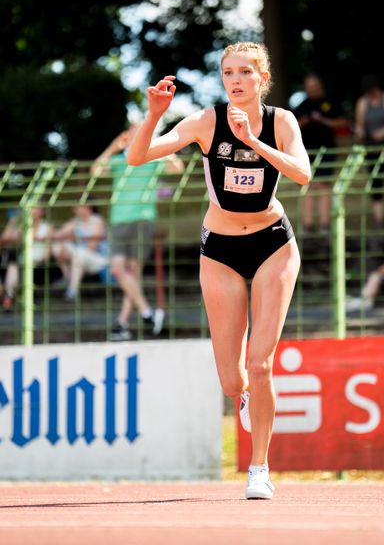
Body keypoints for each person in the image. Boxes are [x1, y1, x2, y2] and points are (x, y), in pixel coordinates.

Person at [127, 41, 311, 499]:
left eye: (246, 72)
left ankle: (259, 469)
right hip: (221, 251)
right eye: (229, 72)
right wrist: (155, 113)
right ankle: (246, 395)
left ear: (261, 79)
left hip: (273, 244)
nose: (235, 79)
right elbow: (137, 157)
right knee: (233, 379)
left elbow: (303, 174)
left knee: (261, 363)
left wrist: (252, 142)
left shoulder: (280, 122)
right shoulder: (207, 121)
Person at [91, 125, 184, 341]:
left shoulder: (153, 159)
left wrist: (157, 143)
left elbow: (176, 167)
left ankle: (122, 323)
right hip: (118, 221)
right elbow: (95, 170)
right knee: (118, 269)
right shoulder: (119, 161)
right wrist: (113, 147)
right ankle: (147, 313)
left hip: (142, 219)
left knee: (133, 273)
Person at [294, 74, 349, 234]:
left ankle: (325, 225)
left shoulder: (331, 102)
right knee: (307, 186)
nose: (312, 90)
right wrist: (305, 121)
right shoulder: (303, 105)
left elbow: (343, 122)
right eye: (309, 87)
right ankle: (308, 225)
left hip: (327, 150)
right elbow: (291, 126)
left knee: (325, 185)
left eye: (315, 86)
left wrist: (324, 120)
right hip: (306, 152)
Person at [354, 74, 384, 227]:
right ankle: (380, 220)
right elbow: (360, 125)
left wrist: (382, 132)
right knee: (376, 184)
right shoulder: (363, 103)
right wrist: (360, 132)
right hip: (372, 149)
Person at [0, 205, 60, 310]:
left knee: (16, 269)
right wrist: (13, 221)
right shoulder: (24, 227)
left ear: (42, 211)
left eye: (35, 208)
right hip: (23, 265)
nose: (32, 211)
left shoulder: (48, 227)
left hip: (40, 267)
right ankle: (9, 297)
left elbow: (49, 252)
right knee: (12, 267)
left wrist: (36, 263)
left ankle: (10, 298)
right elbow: (4, 238)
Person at [52, 203, 108, 301]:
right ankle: (68, 277)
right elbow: (57, 235)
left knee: (79, 255)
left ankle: (72, 291)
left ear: (88, 208)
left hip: (99, 259)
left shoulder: (97, 220)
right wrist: (65, 236)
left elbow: (92, 247)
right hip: (80, 257)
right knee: (56, 247)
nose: (75, 210)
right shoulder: (76, 221)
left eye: (78, 207)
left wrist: (74, 238)